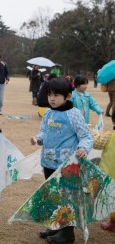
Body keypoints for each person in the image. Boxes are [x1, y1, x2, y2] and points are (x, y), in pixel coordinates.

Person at [30, 77, 93, 244]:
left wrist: (83, 149)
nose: (51, 98)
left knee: (66, 198)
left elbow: (86, 136)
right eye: (50, 94)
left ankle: (67, 234)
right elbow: (44, 132)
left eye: (56, 95)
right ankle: (56, 226)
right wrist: (38, 139)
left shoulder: (74, 115)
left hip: (67, 165)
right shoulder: (49, 112)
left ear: (68, 96)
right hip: (48, 162)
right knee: (53, 196)